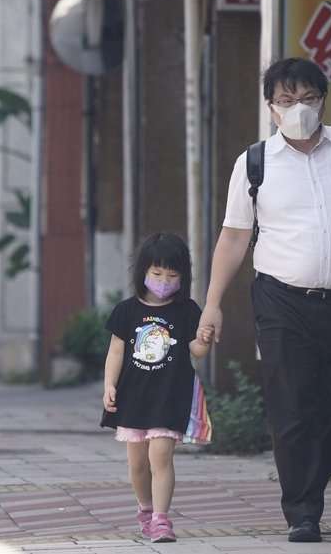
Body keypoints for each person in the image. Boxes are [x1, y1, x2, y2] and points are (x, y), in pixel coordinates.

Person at [197, 58, 331, 543]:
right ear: (271, 108)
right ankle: (303, 511)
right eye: (285, 101)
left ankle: (308, 483)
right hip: (280, 301)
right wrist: (212, 303)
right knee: (292, 402)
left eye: (306, 99)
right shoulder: (255, 163)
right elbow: (234, 238)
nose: (297, 108)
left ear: (323, 99)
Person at [101, 232, 214, 543]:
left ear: (183, 277)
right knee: (137, 464)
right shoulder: (125, 311)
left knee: (161, 457)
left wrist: (204, 339)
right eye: (157, 273)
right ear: (142, 272)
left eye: (173, 275)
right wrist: (109, 385)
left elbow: (197, 351)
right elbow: (116, 352)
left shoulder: (187, 310)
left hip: (170, 396)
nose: (165, 280)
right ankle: (146, 510)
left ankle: (162, 520)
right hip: (133, 397)